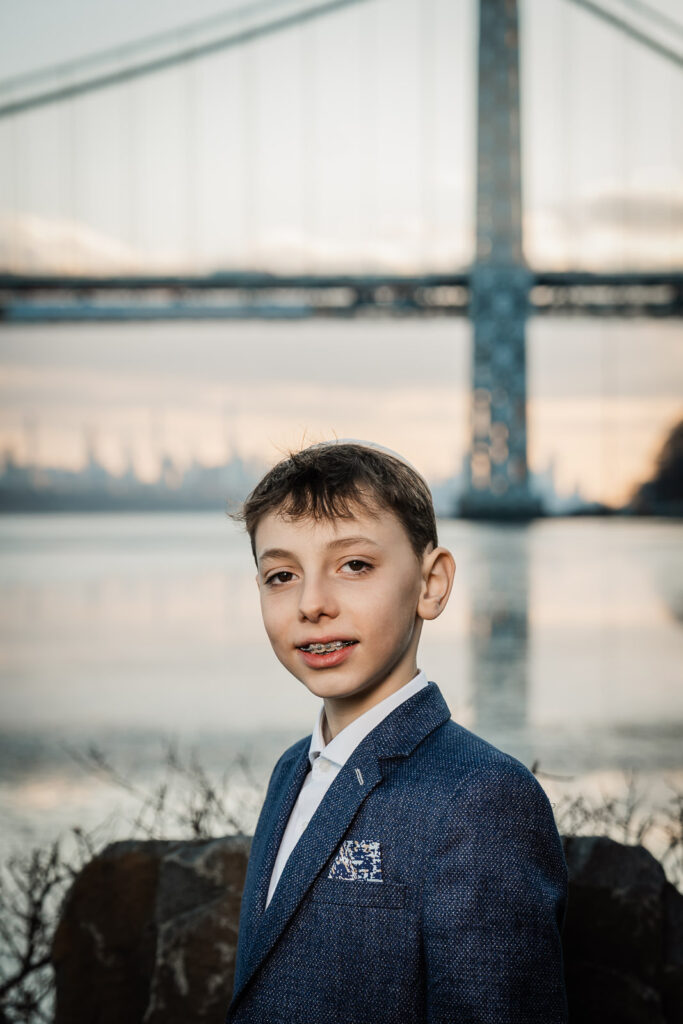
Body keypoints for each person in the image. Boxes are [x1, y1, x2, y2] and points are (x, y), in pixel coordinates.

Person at [225, 439, 568, 1024]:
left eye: (354, 565)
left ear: (431, 584)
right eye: (281, 574)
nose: (312, 603)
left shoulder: (482, 799)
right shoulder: (292, 769)